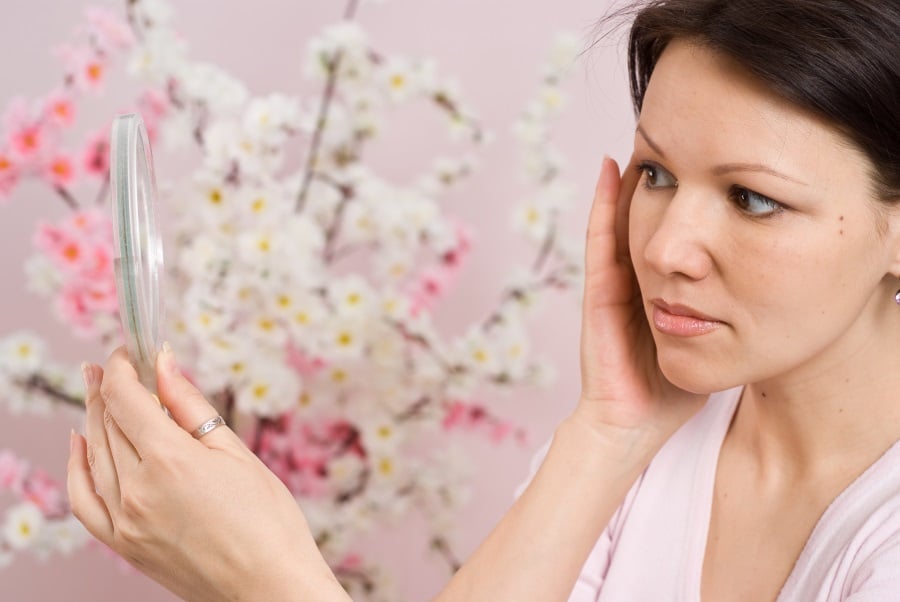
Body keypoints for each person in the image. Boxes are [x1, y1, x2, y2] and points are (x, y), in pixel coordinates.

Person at [67, 0, 900, 599]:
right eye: (656, 173)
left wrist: (267, 580)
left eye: (751, 199)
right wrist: (606, 435)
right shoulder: (645, 442)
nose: (664, 249)